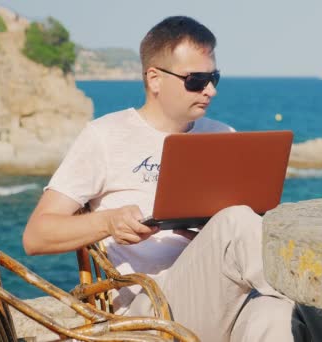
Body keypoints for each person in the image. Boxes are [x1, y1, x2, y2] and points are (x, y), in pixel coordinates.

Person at [23, 16, 306, 342]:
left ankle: (306, 305)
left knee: (275, 314)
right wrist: (109, 222)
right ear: (155, 79)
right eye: (196, 80)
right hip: (150, 310)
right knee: (234, 222)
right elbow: (36, 236)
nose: (210, 90)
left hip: (224, 298)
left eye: (214, 77)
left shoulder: (222, 136)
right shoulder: (105, 136)